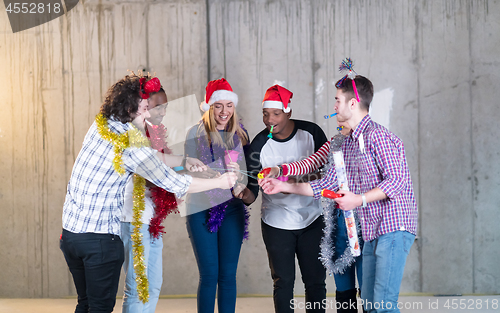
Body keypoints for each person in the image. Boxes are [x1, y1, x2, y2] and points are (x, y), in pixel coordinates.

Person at [60, 74, 237, 313]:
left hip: (71, 235)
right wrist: (220, 182)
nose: (150, 114)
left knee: (88, 304)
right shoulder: (132, 144)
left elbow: (154, 158)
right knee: (113, 302)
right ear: (131, 107)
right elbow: (174, 183)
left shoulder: (102, 123)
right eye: (147, 108)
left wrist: (184, 160)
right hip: (103, 237)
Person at [259, 75, 418, 313]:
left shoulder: (378, 136)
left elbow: (398, 181)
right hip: (373, 231)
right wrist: (284, 186)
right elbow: (326, 183)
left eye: (337, 100)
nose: (334, 107)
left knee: (383, 305)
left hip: (393, 228)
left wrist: (359, 199)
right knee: (373, 306)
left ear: (352, 104)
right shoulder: (345, 143)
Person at [259, 119, 363, 313]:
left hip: (367, 222)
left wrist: (362, 199)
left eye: (338, 103)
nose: (336, 111)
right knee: (344, 287)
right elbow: (313, 165)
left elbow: (393, 182)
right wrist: (280, 172)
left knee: (367, 287)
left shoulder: (374, 140)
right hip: (340, 223)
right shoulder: (335, 143)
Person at [246, 85, 328, 313]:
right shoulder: (258, 145)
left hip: (312, 220)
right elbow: (251, 192)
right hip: (276, 223)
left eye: (276, 113)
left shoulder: (311, 133)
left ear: (288, 112)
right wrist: (239, 192)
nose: (269, 119)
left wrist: (287, 181)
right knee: (283, 283)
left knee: (315, 283)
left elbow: (326, 176)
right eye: (265, 113)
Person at [184, 78, 255, 313]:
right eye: (218, 106)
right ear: (208, 108)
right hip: (201, 210)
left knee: (227, 276)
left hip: (232, 210)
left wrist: (239, 182)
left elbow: (244, 174)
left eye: (229, 105)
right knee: (209, 275)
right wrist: (216, 175)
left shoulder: (239, 134)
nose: (224, 112)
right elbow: (188, 176)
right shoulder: (195, 133)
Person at [120, 86, 176, 313]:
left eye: (166, 107)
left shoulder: (155, 134)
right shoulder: (132, 135)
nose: (163, 112)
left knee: (153, 285)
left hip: (151, 219)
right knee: (138, 289)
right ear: (142, 107)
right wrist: (180, 172)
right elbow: (149, 173)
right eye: (157, 107)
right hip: (134, 218)